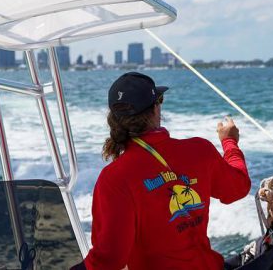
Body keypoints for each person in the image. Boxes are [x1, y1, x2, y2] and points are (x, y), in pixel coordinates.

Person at [74, 72, 251, 269]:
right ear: (155, 109)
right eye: (160, 100)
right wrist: (229, 143)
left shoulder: (115, 178)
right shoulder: (200, 150)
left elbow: (109, 259)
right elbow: (238, 187)